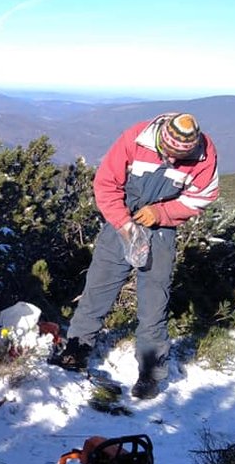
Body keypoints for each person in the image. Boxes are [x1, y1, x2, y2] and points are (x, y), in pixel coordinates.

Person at [50, 112, 219, 400]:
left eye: (181, 156)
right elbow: (105, 184)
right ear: (162, 139)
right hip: (121, 223)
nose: (174, 160)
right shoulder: (136, 138)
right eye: (169, 153)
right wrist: (123, 223)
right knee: (98, 291)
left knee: (154, 303)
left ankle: (150, 375)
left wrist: (162, 213)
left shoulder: (204, 153)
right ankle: (75, 351)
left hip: (161, 230)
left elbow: (202, 197)